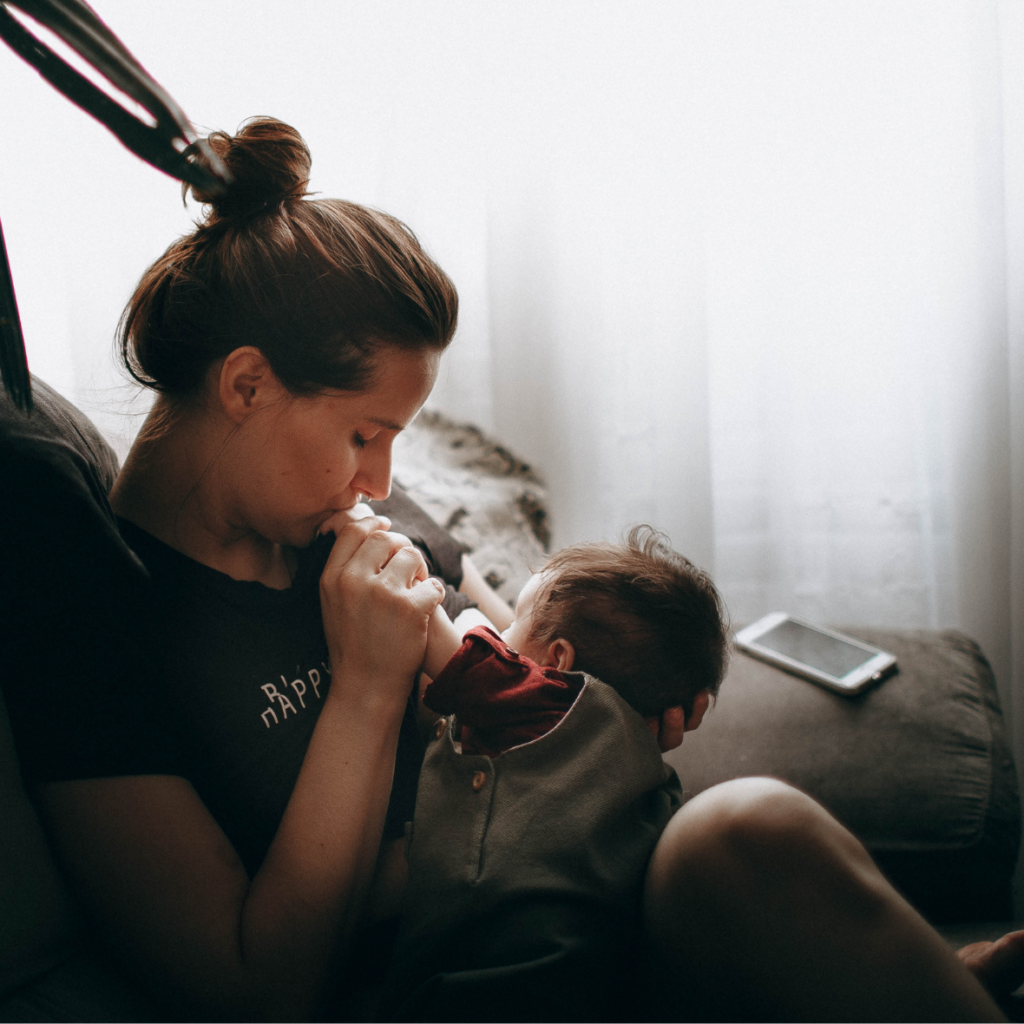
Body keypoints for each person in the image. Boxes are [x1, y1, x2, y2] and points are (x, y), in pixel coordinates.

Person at [1, 115, 1017, 1022]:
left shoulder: (348, 514)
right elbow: (254, 989)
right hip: (454, 983)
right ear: (248, 383)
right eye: (365, 432)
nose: (383, 479)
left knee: (745, 823)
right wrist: (362, 689)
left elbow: (526, 671)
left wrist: (613, 708)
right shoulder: (105, 627)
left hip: (590, 916)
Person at [378, 527, 727, 1021]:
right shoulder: (633, 753)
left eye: (517, 619)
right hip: (602, 967)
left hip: (495, 980)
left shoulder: (550, 698)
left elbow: (446, 644)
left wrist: (393, 554)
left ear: (557, 661)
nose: (499, 630)